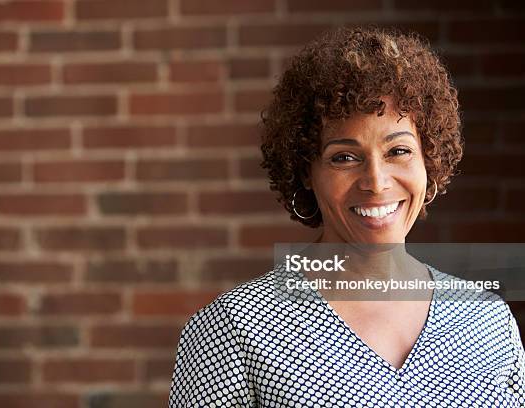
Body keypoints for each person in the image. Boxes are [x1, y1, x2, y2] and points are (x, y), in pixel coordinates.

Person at [169, 26, 524, 407]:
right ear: (306, 171)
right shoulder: (235, 329)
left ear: (430, 160)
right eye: (344, 157)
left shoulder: (488, 320)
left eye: (398, 151)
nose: (376, 182)